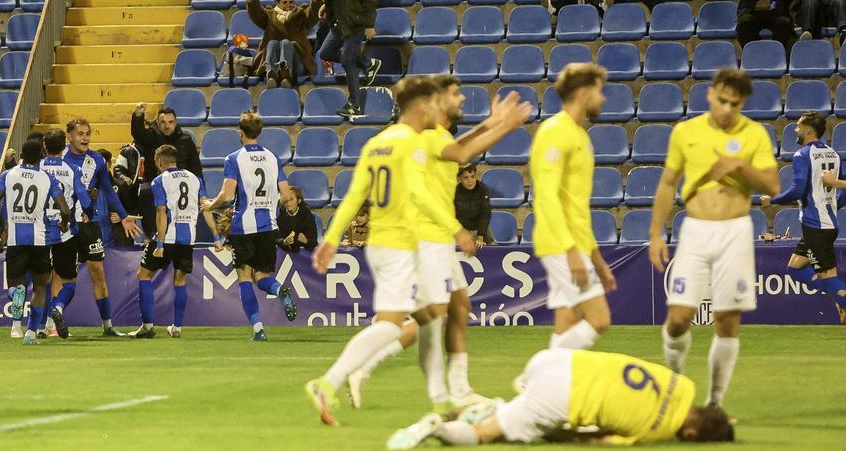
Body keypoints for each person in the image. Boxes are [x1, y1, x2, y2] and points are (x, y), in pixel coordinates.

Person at [305, 76, 528, 427]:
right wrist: (457, 229)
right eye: (438, 102)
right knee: (394, 324)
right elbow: (421, 192)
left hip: (386, 242)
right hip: (403, 243)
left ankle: (443, 402)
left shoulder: (378, 142)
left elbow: (354, 195)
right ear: (424, 106)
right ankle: (330, 380)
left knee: (430, 318)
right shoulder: (412, 144)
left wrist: (331, 238)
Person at [648, 68, 779, 407]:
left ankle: (714, 404)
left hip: (735, 231)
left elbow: (773, 187)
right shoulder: (686, 132)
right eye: (721, 101)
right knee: (677, 320)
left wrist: (740, 167)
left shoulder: (755, 135)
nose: (726, 109)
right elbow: (667, 183)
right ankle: (676, 388)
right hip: (695, 230)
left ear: (743, 103)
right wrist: (655, 233)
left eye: (735, 104)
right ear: (710, 95)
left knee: (726, 321)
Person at [386, 349, 734, 449]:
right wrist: (557, 434)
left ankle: (496, 409)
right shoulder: (656, 431)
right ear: (691, 435)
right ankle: (436, 429)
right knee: (488, 434)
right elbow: (596, 439)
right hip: (562, 395)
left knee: (519, 413)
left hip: (561, 359)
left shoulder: (682, 384)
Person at [529, 63, 617, 352]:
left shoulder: (580, 135)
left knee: (566, 319)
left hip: (574, 241)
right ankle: (533, 378)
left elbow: (577, 206)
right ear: (583, 94)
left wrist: (598, 259)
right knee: (600, 319)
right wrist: (571, 253)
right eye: (599, 91)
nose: (602, 98)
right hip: (561, 244)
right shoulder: (555, 132)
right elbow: (546, 196)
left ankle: (547, 390)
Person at [203, 112, 298, 340]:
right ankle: (278, 289)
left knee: (244, 278)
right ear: (260, 132)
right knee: (262, 276)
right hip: (268, 226)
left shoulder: (234, 158)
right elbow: (286, 194)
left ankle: (258, 329)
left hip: (243, 227)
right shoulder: (273, 157)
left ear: (240, 133)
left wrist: (209, 205)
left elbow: (227, 195)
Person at [761, 111, 846, 324]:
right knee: (795, 268)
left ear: (808, 131)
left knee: (828, 276)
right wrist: (834, 206)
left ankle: (841, 298)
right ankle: (838, 296)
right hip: (824, 223)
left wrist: (773, 200)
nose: (795, 130)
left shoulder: (802, 155)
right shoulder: (834, 154)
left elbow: (798, 190)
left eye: (798, 127)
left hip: (816, 225)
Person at [0, 138, 71, 345]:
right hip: (40, 240)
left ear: (22, 155)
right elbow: (65, 209)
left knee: (16, 287)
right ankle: (31, 334)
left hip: (16, 240)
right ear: (41, 155)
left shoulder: (8, 175)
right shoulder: (47, 177)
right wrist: (64, 224)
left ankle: (16, 293)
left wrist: (4, 224)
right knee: (41, 287)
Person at [63, 118, 143, 337]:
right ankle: (51, 326)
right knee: (62, 275)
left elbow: (108, 191)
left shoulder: (96, 160)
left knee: (98, 272)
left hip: (90, 223)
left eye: (88, 133)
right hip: (64, 224)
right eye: (80, 134)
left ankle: (107, 325)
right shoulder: (58, 159)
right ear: (69, 135)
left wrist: (125, 216)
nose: (85, 138)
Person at [130, 145, 216, 339]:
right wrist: (216, 237)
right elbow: (206, 209)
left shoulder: (160, 180)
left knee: (143, 276)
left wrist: (159, 245)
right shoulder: (196, 179)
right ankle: (176, 326)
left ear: (160, 160)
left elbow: (161, 212)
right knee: (180, 280)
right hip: (188, 238)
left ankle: (147, 326)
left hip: (167, 237)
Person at [313, 0, 380, 120]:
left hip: (354, 24)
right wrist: (326, 6)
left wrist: (369, 24)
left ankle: (354, 105)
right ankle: (368, 64)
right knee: (326, 52)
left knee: (347, 60)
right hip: (338, 23)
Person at [38, 128, 94, 339]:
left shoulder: (37, 168)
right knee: (69, 281)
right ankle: (58, 309)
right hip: (65, 232)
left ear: (45, 146)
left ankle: (40, 326)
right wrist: (88, 212)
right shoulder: (71, 169)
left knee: (41, 281)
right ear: (64, 146)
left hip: (39, 233)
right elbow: (85, 200)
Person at [131, 104, 203, 236]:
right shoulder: (151, 138)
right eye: (163, 122)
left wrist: (200, 192)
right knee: (146, 192)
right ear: (157, 123)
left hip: (181, 185)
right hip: (155, 183)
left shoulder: (186, 141)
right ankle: (152, 236)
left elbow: (195, 167)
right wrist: (138, 116)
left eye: (170, 122)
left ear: (176, 123)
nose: (167, 126)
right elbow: (138, 133)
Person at [245, 0, 322, 88]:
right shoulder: (269, 16)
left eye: (291, 2)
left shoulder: (300, 14)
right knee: (272, 43)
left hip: (298, 63)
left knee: (286, 43)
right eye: (284, 2)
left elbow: (313, 13)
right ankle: (271, 75)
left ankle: (287, 76)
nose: (288, 5)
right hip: (273, 60)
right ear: (277, 3)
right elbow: (255, 11)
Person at [454, 165, 493, 246]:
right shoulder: (454, 192)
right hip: (462, 229)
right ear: (459, 179)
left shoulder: (483, 190)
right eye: (466, 177)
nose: (470, 180)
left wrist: (480, 235)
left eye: (472, 177)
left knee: (493, 246)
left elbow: (485, 214)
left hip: (480, 228)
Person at [277, 186, 318, 253]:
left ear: (299, 200)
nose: (288, 203)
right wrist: (284, 242)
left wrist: (306, 241)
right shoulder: (281, 216)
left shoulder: (307, 215)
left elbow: (313, 240)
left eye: (291, 199)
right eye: (286, 200)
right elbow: (276, 237)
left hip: (306, 253)